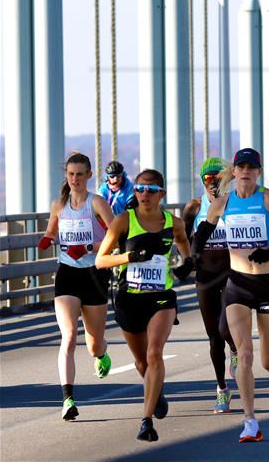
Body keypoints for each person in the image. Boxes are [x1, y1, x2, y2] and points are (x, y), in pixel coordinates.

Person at [191, 148, 269, 442]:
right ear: (234, 172)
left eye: (252, 167)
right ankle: (250, 421)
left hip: (267, 284)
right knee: (245, 354)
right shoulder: (222, 203)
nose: (246, 172)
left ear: (259, 172)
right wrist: (192, 256)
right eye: (241, 167)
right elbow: (200, 235)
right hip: (237, 285)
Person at [95, 169, 193, 442]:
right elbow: (100, 261)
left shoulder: (173, 223)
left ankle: (146, 420)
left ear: (162, 193)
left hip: (161, 297)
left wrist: (187, 261)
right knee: (141, 362)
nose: (144, 194)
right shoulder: (124, 221)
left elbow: (184, 242)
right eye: (139, 189)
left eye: (150, 190)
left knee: (153, 354)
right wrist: (128, 256)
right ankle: (156, 390)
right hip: (129, 298)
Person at [38, 153, 115, 421]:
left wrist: (90, 247)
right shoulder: (59, 204)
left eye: (80, 174)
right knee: (69, 335)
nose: (75, 179)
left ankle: (101, 351)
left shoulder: (97, 202)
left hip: (94, 274)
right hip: (68, 274)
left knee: (93, 344)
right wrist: (46, 240)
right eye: (71, 174)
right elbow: (52, 230)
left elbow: (115, 237)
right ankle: (68, 398)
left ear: (89, 176)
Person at [181, 157, 239, 413]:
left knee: (225, 329)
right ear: (201, 181)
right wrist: (187, 262)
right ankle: (221, 390)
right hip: (205, 276)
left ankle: (237, 348)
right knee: (214, 337)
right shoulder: (194, 207)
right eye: (208, 179)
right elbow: (183, 239)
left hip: (230, 274)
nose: (213, 184)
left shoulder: (234, 203)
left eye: (219, 179)